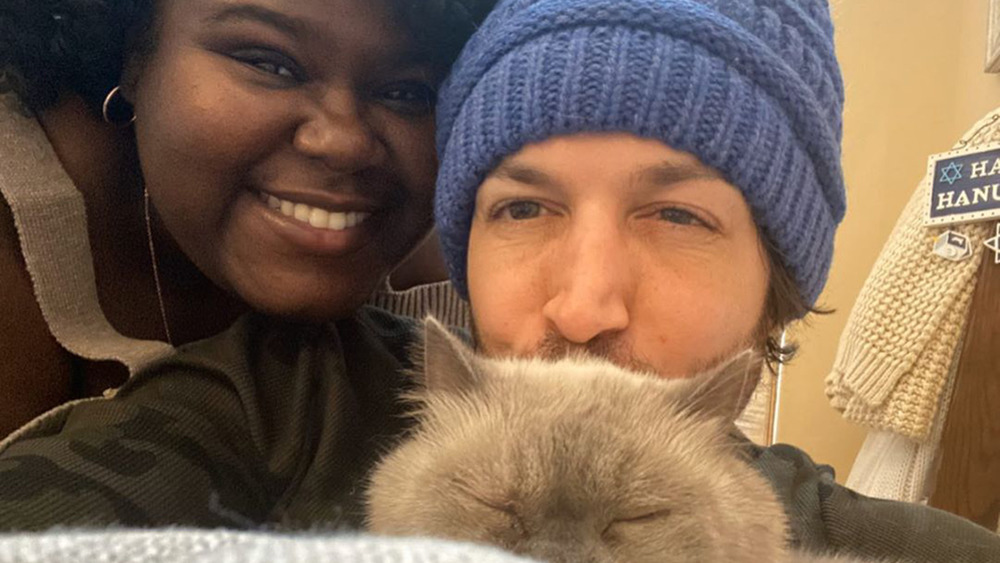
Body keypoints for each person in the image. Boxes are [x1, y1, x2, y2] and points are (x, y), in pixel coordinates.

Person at [1, 1, 998, 561]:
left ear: (773, 270)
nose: (583, 303)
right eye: (523, 206)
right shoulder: (275, 397)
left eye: (679, 215)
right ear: (458, 242)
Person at [0, 0, 490, 437]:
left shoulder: (469, 268)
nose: (343, 142)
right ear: (133, 49)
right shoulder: (18, 222)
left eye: (408, 93)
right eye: (269, 63)